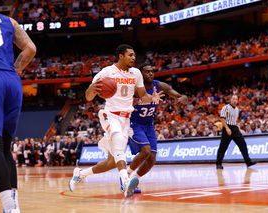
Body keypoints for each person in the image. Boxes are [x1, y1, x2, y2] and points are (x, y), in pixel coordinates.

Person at [69, 44, 163, 198]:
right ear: (121, 56)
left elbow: (142, 96)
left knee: (111, 162)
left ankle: (80, 173)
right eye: (130, 55)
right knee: (118, 140)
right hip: (110, 115)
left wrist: (151, 98)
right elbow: (88, 97)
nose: (133, 58)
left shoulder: (136, 73)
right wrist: (91, 89)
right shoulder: (107, 72)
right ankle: (125, 181)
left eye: (134, 55)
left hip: (126, 118)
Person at [0, 0, 36, 212]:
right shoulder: (10, 22)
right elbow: (31, 48)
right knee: (4, 147)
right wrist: (13, 70)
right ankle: (14, 206)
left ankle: (10, 208)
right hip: (12, 80)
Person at [124, 63, 188, 193]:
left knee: (152, 160)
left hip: (148, 124)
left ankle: (132, 181)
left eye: (152, 71)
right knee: (146, 151)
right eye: (147, 72)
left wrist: (183, 98)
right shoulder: (135, 88)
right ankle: (125, 177)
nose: (151, 73)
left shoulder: (159, 86)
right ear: (141, 74)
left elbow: (180, 96)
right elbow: (122, 102)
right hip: (134, 123)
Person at [216, 95, 257, 169]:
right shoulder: (225, 107)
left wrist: (237, 127)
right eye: (233, 99)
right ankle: (218, 163)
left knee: (242, 143)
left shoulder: (237, 109)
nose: (235, 100)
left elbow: (235, 120)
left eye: (236, 99)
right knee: (223, 147)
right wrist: (227, 128)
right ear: (230, 100)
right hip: (227, 127)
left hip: (234, 128)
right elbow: (222, 119)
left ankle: (248, 162)